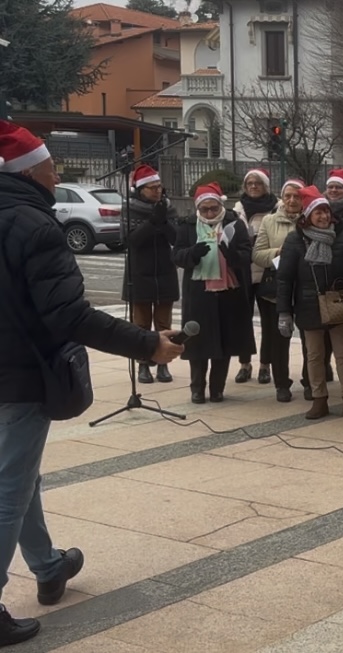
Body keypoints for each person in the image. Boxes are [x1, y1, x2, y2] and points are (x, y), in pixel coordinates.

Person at [0, 121, 185, 647]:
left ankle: (47, 565)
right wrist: (149, 345)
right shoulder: (35, 227)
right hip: (22, 376)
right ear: (33, 171)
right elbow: (70, 316)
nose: (56, 172)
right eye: (51, 165)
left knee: (19, 476)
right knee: (10, 490)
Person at [276, 185, 343, 421]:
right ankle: (319, 399)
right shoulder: (294, 240)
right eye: (318, 212)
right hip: (308, 305)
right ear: (307, 215)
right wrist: (284, 312)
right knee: (315, 355)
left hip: (339, 304)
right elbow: (285, 279)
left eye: (326, 212)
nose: (324, 216)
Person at [172, 182, 257, 404]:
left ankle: (217, 388)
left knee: (225, 342)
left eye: (214, 208)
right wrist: (192, 253)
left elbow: (247, 255)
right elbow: (177, 256)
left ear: (221, 205)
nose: (210, 212)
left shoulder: (235, 224)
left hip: (229, 292)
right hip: (199, 293)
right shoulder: (188, 226)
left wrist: (232, 255)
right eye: (205, 209)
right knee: (197, 343)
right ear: (198, 209)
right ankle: (197, 388)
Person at [122, 163, 180, 385]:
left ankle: (163, 364)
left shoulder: (168, 207)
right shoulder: (130, 208)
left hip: (165, 271)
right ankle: (144, 364)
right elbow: (131, 241)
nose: (157, 191)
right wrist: (151, 222)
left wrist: (163, 221)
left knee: (164, 323)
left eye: (159, 187)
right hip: (140, 272)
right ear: (140, 190)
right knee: (141, 323)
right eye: (152, 188)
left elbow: (176, 239)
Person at [253, 178, 304, 402]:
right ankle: (282, 384)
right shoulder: (269, 221)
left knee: (310, 338)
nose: (292, 200)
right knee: (278, 338)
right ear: (282, 198)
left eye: (297, 196)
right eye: (288, 196)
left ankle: (311, 381)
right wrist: (279, 252)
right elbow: (257, 255)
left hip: (306, 287)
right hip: (276, 287)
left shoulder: (311, 218)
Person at [232, 168, 278, 385]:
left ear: (265, 186)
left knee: (269, 321)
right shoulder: (237, 209)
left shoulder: (276, 208)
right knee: (242, 319)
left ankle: (265, 365)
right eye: (249, 183)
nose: (253, 186)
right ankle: (244, 364)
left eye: (257, 183)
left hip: (268, 272)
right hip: (242, 272)